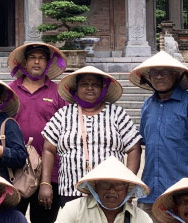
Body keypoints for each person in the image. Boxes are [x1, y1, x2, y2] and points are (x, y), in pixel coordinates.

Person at [130, 51, 188, 223]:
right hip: (150, 190)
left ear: (176, 75)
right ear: (148, 78)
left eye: (165, 72)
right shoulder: (147, 106)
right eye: (154, 73)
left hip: (179, 190)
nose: (159, 76)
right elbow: (142, 145)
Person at [7, 42, 68, 223]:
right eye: (31, 58)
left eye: (41, 58)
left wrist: (46, 183)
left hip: (49, 174)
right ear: (23, 63)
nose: (36, 62)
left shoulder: (57, 93)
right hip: (16, 173)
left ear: (48, 63)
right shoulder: (11, 90)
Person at [41, 66, 142, 205]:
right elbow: (48, 149)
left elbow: (134, 148)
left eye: (95, 84)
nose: (90, 88)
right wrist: (45, 183)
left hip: (111, 191)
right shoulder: (63, 114)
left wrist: (129, 182)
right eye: (84, 84)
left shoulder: (116, 113)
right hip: (71, 191)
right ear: (76, 89)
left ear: (103, 89)